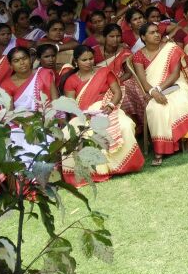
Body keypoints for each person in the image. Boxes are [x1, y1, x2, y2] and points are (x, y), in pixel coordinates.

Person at [61, 45, 144, 185]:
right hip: (84, 115)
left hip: (109, 110)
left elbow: (117, 92)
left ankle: (123, 167)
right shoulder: (71, 80)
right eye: (84, 60)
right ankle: (96, 171)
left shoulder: (104, 72)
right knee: (72, 133)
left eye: (91, 58)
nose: (89, 62)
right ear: (76, 62)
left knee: (125, 125)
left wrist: (110, 106)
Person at [131, 22, 188, 165]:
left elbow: (175, 74)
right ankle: (160, 149)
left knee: (180, 102)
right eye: (152, 32)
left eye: (157, 31)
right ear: (143, 37)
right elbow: (143, 81)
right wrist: (153, 92)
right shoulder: (138, 56)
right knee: (155, 108)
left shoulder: (170, 48)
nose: (157, 34)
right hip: (152, 90)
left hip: (175, 84)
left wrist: (158, 90)